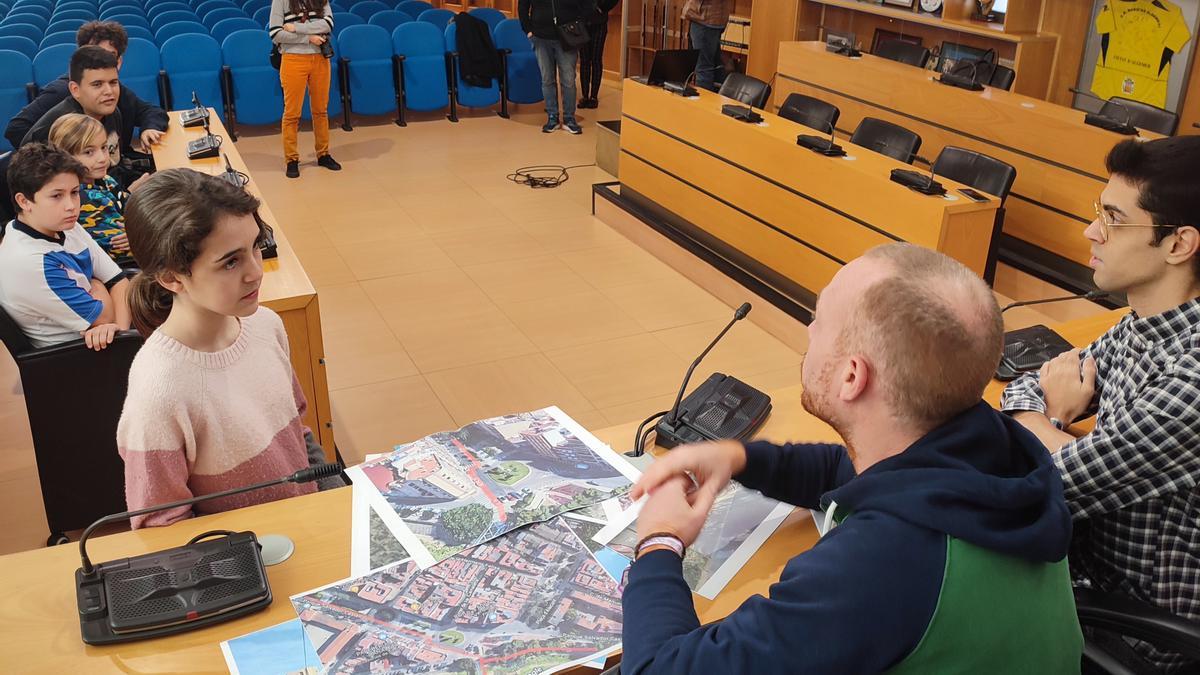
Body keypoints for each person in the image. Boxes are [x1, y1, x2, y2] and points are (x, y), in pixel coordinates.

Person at [622, 243, 1083, 673]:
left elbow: (657, 668)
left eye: (819, 319)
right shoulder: (994, 448)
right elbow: (849, 470)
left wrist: (660, 540)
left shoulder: (877, 566)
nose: (808, 329)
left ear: (851, 376)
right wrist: (737, 457)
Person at [1002, 135, 1200, 673]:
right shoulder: (1144, 324)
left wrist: (1053, 418)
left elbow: (1046, 485)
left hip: (1133, 627)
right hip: (1083, 564)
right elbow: (1023, 387)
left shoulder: (1194, 376)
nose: (1092, 231)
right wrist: (1046, 418)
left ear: (1179, 244)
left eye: (1114, 218)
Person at [116, 169, 342, 529]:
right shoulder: (158, 392)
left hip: (310, 526)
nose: (256, 271)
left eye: (256, 245)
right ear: (173, 277)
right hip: (251, 562)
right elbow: (161, 528)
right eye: (231, 262)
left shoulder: (266, 325)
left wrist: (336, 500)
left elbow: (298, 433)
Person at [0, 144, 131, 350]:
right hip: (77, 357)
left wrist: (121, 331)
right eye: (57, 196)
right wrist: (97, 283)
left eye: (75, 192)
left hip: (110, 338)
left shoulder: (62, 223)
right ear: (24, 201)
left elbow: (119, 281)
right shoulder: (32, 262)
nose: (71, 205)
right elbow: (104, 315)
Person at [7, 21, 166, 180]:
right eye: (97, 84)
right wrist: (51, 165)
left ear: (118, 62)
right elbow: (18, 130)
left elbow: (149, 111)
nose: (108, 90)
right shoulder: (61, 95)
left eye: (112, 82)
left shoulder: (112, 98)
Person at [48, 113, 146, 267]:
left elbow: (136, 211)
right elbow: (123, 248)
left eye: (104, 147)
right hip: (129, 266)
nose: (102, 158)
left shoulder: (105, 180)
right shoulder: (83, 198)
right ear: (65, 158)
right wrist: (141, 233)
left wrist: (140, 229)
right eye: (88, 152)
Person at [269, 0, 341, 178]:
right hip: (293, 59)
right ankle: (291, 159)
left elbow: (328, 24)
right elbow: (276, 33)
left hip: (320, 59)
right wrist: (309, 38)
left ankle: (323, 154)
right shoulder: (280, 1)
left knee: (321, 110)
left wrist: (296, 28)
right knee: (292, 113)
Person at [518, 0, 591, 134]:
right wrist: (528, 30)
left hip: (568, 35)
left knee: (568, 80)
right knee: (547, 79)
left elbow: (587, 4)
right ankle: (552, 117)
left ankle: (569, 118)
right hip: (540, 37)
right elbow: (523, 6)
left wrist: (580, 23)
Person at [577, 0, 617, 109]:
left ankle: (594, 96)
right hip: (582, 22)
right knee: (584, 60)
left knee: (596, 59)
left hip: (599, 22)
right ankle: (585, 96)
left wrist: (602, 8)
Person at [682, 0, 729, 91]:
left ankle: (703, 103)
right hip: (713, 17)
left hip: (704, 17)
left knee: (703, 69)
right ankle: (717, 101)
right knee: (715, 67)